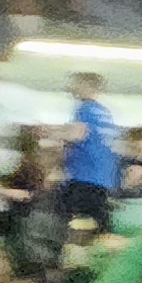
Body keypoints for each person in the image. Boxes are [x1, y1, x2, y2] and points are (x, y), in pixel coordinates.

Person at [54, 73, 121, 226]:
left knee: (73, 221)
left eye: (75, 84)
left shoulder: (85, 109)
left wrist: (50, 134)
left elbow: (77, 133)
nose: (70, 88)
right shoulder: (105, 112)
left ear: (86, 86)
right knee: (94, 222)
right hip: (103, 179)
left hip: (83, 176)